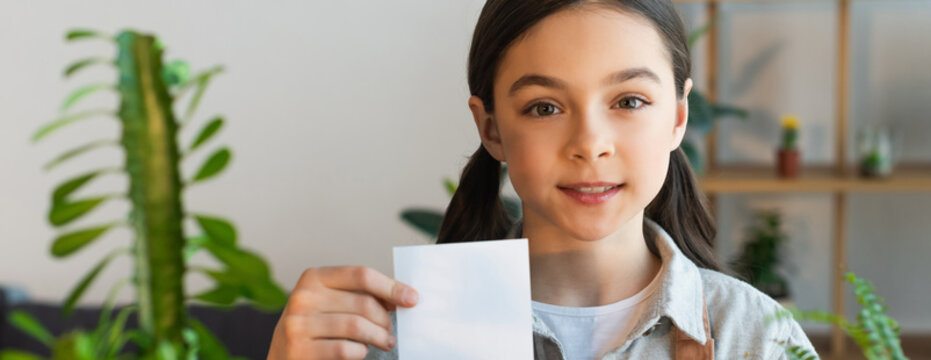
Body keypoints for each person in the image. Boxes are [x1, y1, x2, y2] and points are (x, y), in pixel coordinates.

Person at [266, 0, 817, 358]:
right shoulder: (391, 340)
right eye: (544, 107)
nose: (589, 143)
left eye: (629, 100)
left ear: (677, 117)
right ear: (492, 129)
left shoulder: (758, 337)